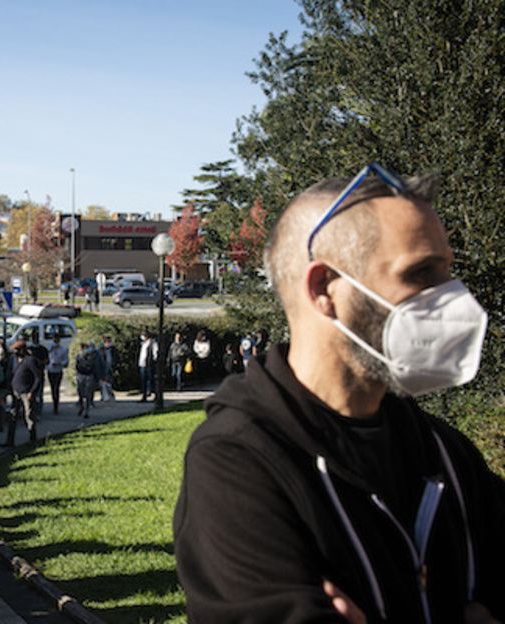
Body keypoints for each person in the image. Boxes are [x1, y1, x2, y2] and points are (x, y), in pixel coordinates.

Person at [174, 165, 505, 622]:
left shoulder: (446, 454)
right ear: (323, 288)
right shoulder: (237, 463)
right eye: (421, 273)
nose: (451, 300)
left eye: (447, 274)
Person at [4, 340, 41, 446]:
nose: (14, 352)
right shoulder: (13, 360)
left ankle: (32, 438)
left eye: (16, 350)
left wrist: (32, 392)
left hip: (26, 392)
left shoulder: (30, 360)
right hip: (15, 392)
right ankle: (10, 440)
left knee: (29, 415)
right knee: (12, 416)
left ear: (22, 350)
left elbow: (38, 378)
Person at [46, 334, 69, 414]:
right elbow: (47, 359)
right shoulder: (50, 348)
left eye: (57, 339)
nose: (55, 340)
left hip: (58, 370)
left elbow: (66, 361)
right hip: (50, 371)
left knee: (56, 388)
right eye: (54, 338)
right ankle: (54, 403)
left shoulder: (63, 349)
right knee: (52, 388)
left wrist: (60, 363)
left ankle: (56, 406)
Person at [74, 342, 98, 418]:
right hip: (81, 376)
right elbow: (78, 367)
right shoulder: (79, 357)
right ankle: (81, 406)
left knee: (88, 394)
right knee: (80, 393)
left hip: (89, 376)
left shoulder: (91, 357)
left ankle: (86, 411)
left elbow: (92, 367)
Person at [138, 331, 157, 402]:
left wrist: (154, 361)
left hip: (149, 364)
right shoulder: (143, 344)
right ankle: (144, 396)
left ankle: (155, 395)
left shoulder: (152, 343)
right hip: (142, 364)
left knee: (151, 380)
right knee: (143, 380)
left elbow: (155, 353)